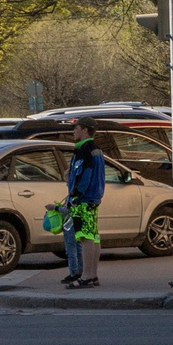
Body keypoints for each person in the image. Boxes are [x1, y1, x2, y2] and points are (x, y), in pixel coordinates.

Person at [60, 121, 106, 288]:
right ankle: (93, 275)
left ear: (85, 130)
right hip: (93, 198)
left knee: (85, 238)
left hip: (83, 200)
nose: (73, 131)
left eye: (76, 128)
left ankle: (86, 276)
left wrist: (75, 195)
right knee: (93, 237)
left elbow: (84, 175)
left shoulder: (84, 150)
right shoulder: (96, 149)